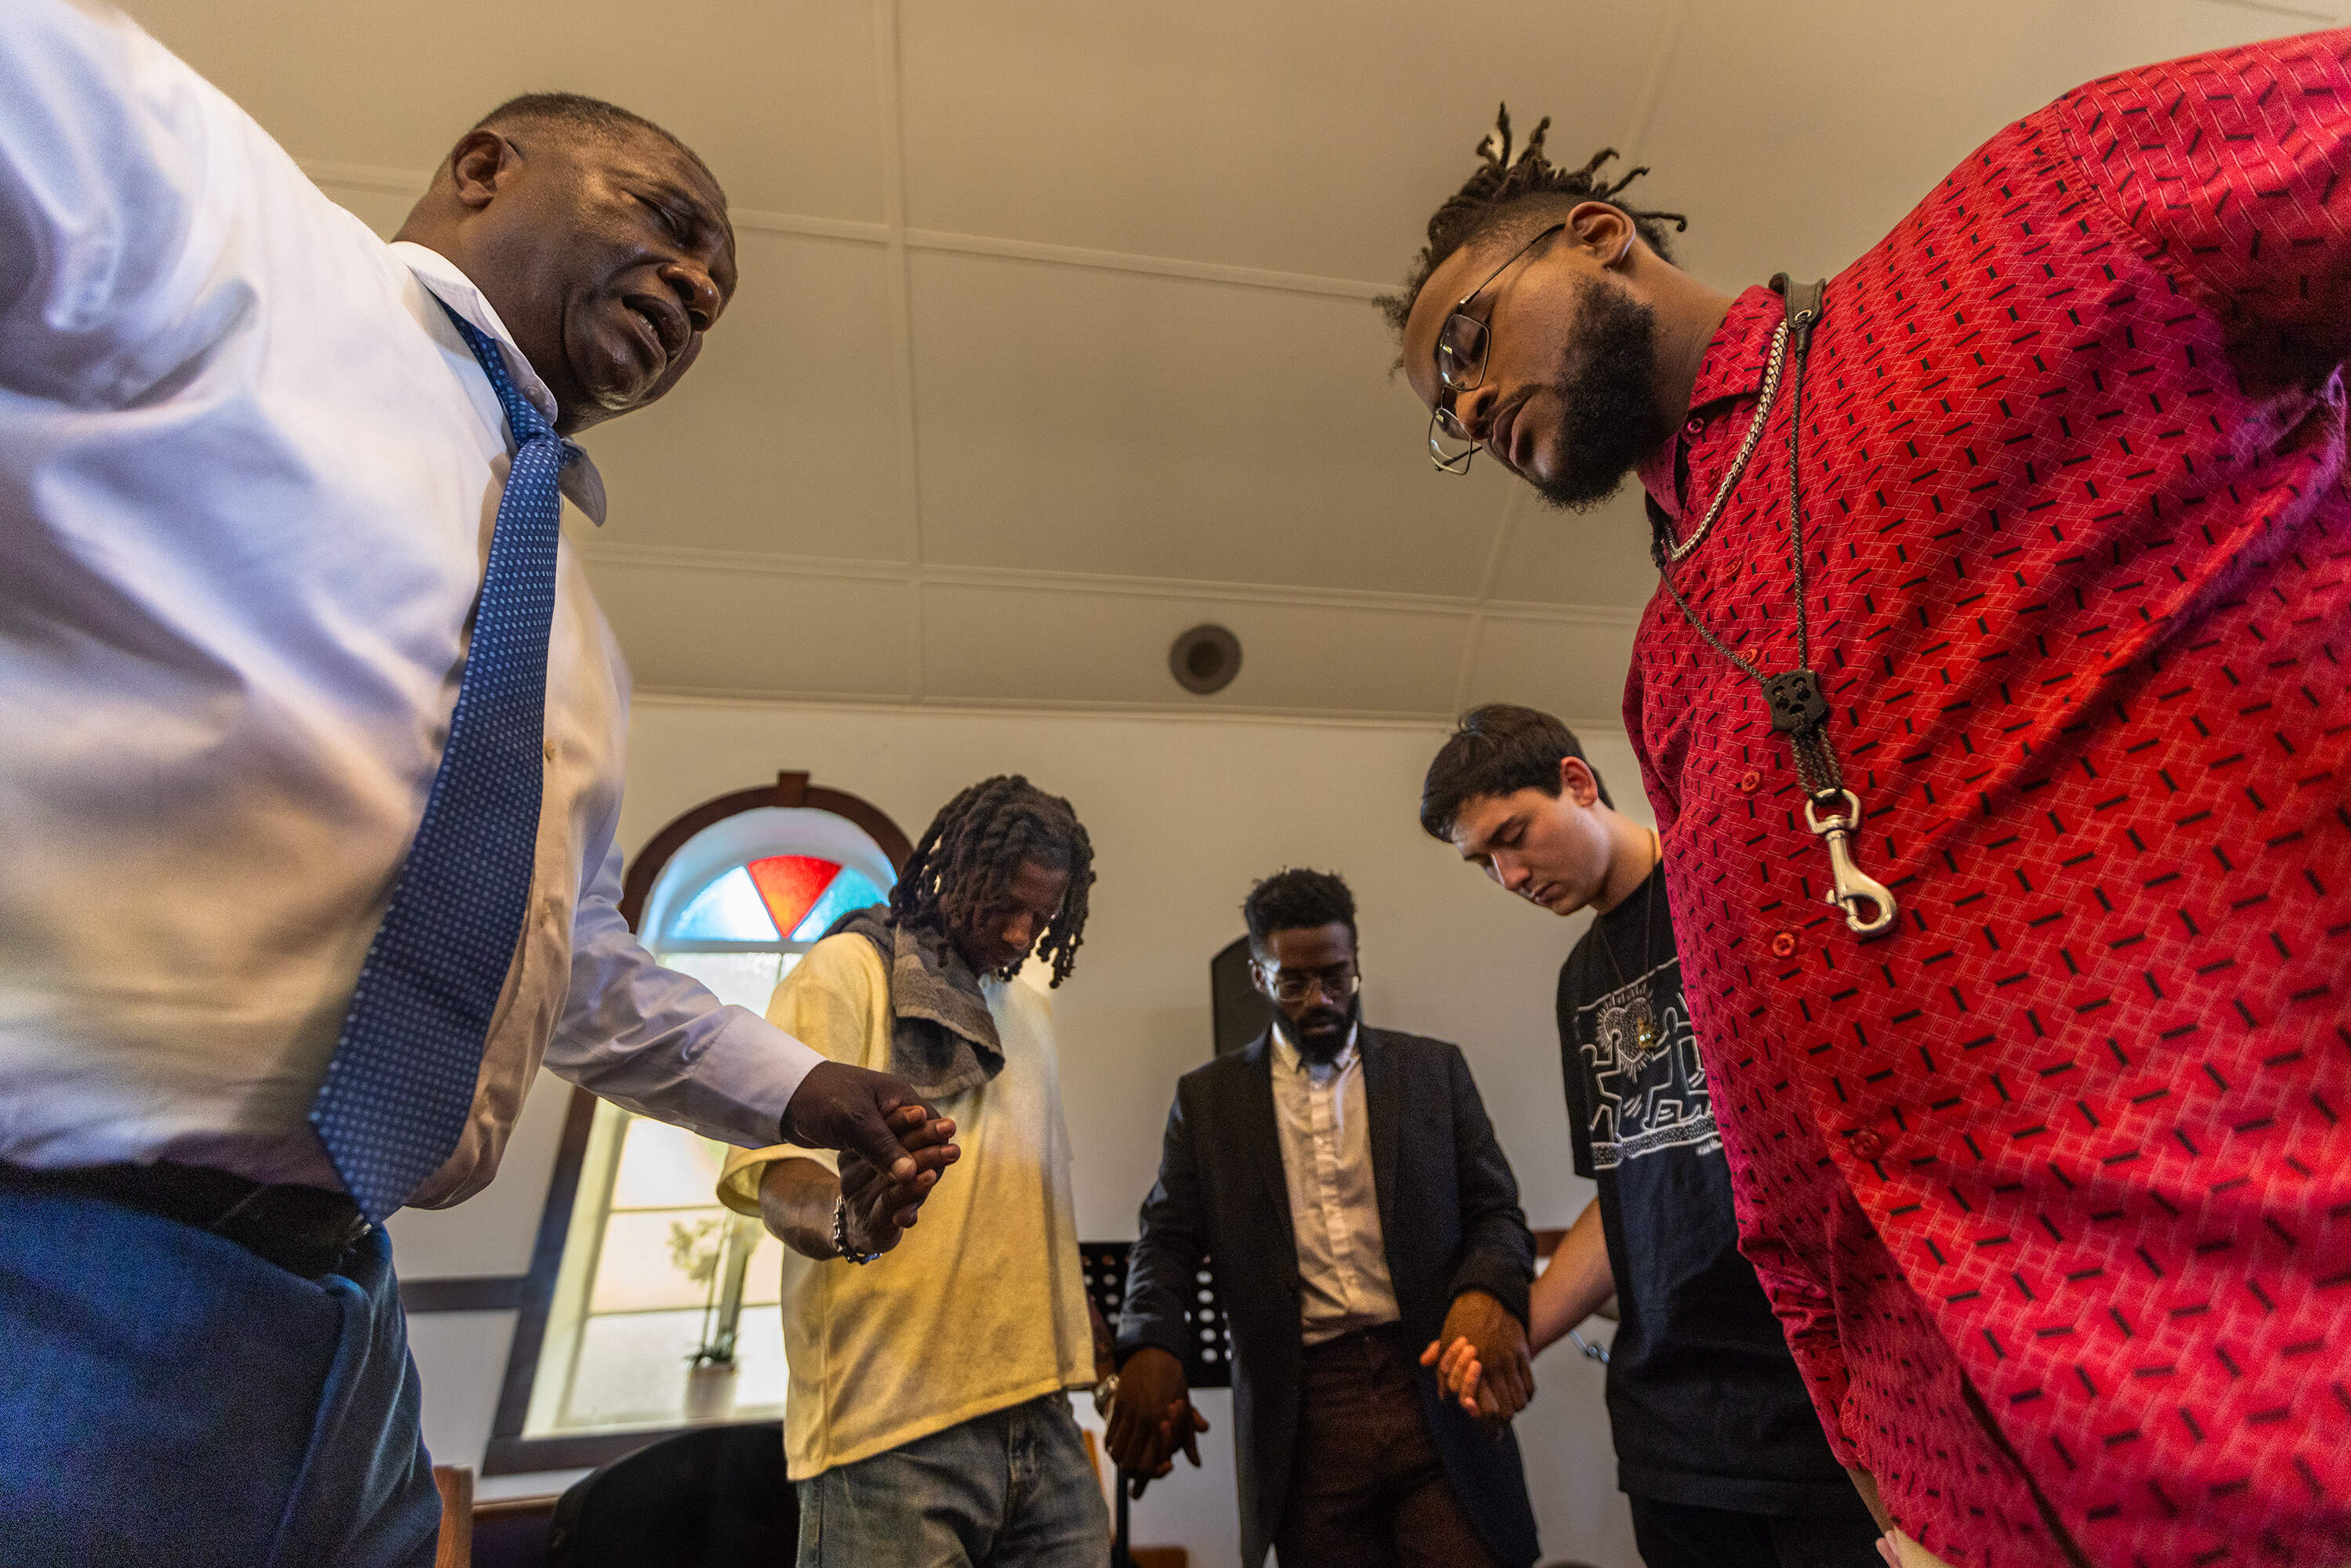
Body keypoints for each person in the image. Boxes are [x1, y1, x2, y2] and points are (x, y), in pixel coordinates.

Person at [1380, 32, 2351, 1568]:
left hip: (2272, 1369)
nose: (1468, 403)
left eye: (1468, 341)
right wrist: (1886, 1452)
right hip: (1964, 1489)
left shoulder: (2041, 216)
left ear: (1596, 236)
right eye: (1446, 410)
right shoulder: (1667, 666)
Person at [0, 6, 951, 1566]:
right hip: (55, 1250)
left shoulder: (572, 634)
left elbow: (557, 967)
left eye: (719, 293)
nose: (702, 289)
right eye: (671, 223)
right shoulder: (231, 250)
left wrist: (803, 1089)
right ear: (485, 168)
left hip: (345, 1316)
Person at [1418, 705, 1886, 1567]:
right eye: (1483, 862)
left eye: (1515, 836)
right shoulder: (1579, 980)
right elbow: (1625, 1190)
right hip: (1671, 1434)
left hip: (1822, 1404)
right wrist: (1509, 1337)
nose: (1511, 876)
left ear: (1577, 782)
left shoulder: (1737, 886)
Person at [716, 776, 1110, 1568]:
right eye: (1006, 904)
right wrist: (847, 1221)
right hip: (888, 1432)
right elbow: (778, 1178)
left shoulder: (1029, 1014)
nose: (1022, 931)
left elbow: (1029, 1208)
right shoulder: (846, 975)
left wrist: (1097, 1352)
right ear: (957, 871)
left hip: (1040, 1418)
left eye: (1043, 915)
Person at [1108, 867, 1540, 1568]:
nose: (1320, 1000)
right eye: (1293, 981)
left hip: (1429, 1378)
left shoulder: (1433, 1071)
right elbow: (1167, 1242)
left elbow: (1498, 1212)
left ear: (1357, 961)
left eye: (1337, 977)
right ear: (1257, 975)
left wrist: (1484, 1292)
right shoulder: (1209, 1101)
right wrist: (1150, 1343)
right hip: (1302, 1408)